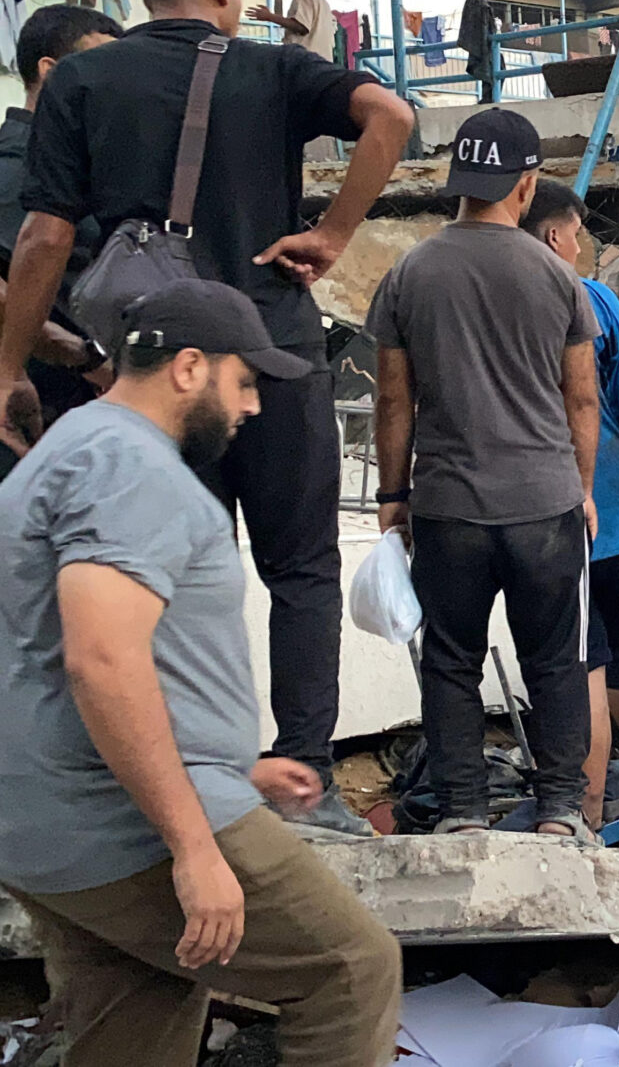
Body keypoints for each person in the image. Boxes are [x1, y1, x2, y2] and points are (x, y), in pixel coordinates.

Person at [0, 0, 415, 835]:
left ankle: (181, 778)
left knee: (165, 575)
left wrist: (6, 366)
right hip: (271, 359)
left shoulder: (84, 79)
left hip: (153, 375)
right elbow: (392, 116)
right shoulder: (272, 69)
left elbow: (45, 236)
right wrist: (336, 234)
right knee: (299, 569)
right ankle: (306, 778)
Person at [0, 279, 400, 1065]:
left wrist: (230, 763)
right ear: (189, 367)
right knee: (349, 969)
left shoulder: (71, 450)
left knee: (135, 1021)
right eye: (244, 380)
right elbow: (102, 659)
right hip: (121, 825)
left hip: (46, 821)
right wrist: (193, 843)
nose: (252, 406)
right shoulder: (130, 466)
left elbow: (54, 655)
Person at [368, 110, 602, 841]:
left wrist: (393, 494)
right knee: (554, 660)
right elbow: (582, 397)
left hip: (449, 508)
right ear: (526, 186)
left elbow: (392, 397)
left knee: (451, 660)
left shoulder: (409, 273)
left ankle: (464, 809)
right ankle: (561, 808)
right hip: (543, 503)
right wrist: (583, 488)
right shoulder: (558, 278)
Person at [521, 180, 619, 828]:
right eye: (577, 230)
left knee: (578, 660)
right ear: (554, 236)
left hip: (541, 518)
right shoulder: (597, 304)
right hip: (614, 513)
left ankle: (582, 817)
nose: (583, 243)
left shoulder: (493, 306)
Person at [0, 4, 123, 477]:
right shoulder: (18, 168)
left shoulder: (86, 170)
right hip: (37, 416)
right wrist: (86, 358)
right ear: (49, 73)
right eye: (100, 69)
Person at [244, 0, 334, 62]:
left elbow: (302, 26)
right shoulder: (322, 1)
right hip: (321, 63)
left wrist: (269, 17)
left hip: (305, 62)